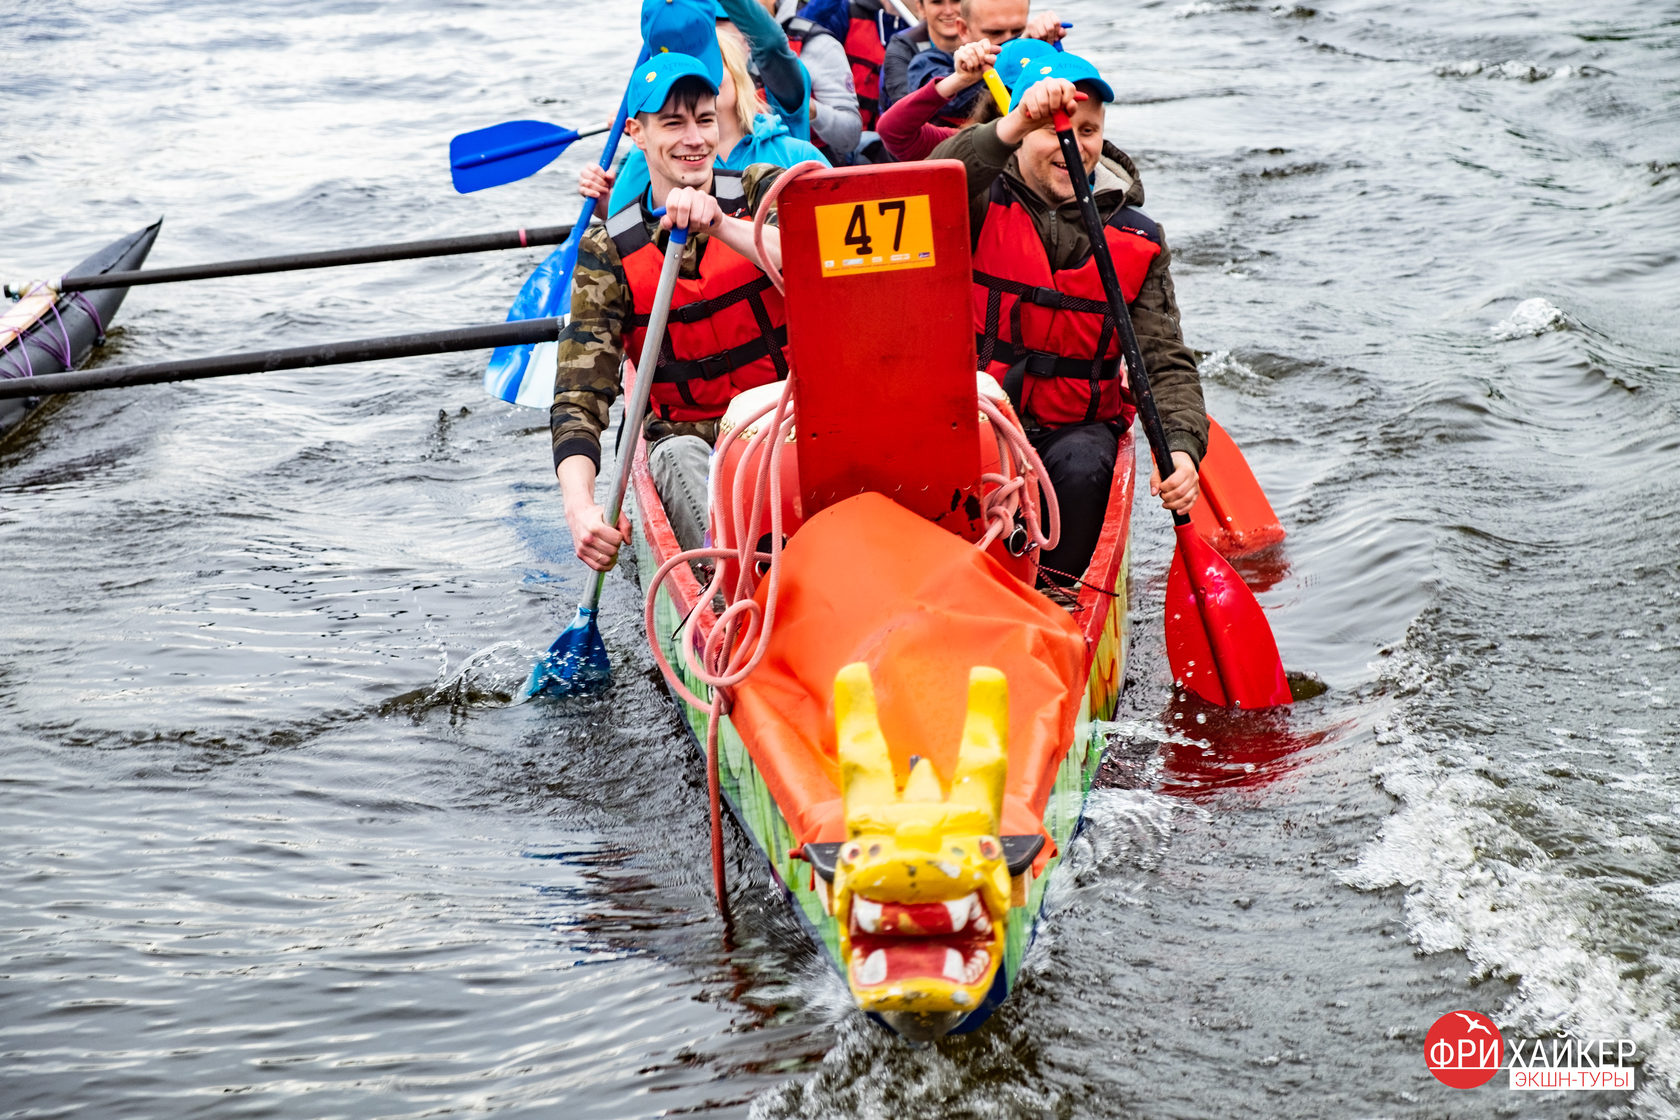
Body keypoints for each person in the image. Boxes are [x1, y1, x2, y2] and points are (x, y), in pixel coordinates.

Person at [930, 54, 1206, 586]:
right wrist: (1010, 126)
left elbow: (1165, 360)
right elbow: (932, 180)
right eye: (1051, 129)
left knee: (1083, 466)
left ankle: (1058, 598)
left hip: (1074, 430)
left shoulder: (1140, 239)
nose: (1072, 145)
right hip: (977, 423)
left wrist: (1183, 447)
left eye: (1089, 131)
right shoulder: (976, 199)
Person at [553, 53, 788, 572]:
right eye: (673, 123)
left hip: (791, 425)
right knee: (675, 458)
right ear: (637, 132)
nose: (695, 138)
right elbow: (578, 395)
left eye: (704, 120)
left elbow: (820, 268)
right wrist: (581, 508)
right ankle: (726, 599)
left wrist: (725, 226)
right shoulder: (607, 251)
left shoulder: (757, 188)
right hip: (696, 448)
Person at [596, 27, 826, 218]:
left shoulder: (797, 155)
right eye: (673, 123)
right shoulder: (648, 158)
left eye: (711, 61)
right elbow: (621, 223)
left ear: (737, 72)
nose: (694, 140)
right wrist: (604, 206)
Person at [876, 35, 1051, 160]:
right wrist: (960, 80)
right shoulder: (969, 146)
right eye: (1022, 95)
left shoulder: (1076, 143)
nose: (1040, 102)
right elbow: (893, 132)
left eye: (1051, 92)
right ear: (996, 104)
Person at [761, 0, 864, 158]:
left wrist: (809, 108)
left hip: (807, 167)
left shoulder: (817, 44)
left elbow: (850, 134)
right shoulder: (713, 43)